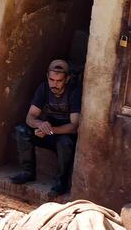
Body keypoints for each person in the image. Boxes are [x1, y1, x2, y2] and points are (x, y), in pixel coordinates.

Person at [10, 58, 81, 197]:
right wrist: (39, 125)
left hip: (63, 135)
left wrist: (50, 130)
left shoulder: (74, 92)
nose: (54, 84)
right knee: (22, 131)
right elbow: (30, 117)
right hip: (47, 132)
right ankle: (28, 172)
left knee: (65, 143)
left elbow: (74, 126)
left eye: (59, 81)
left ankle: (61, 183)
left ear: (66, 79)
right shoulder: (44, 88)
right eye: (51, 80)